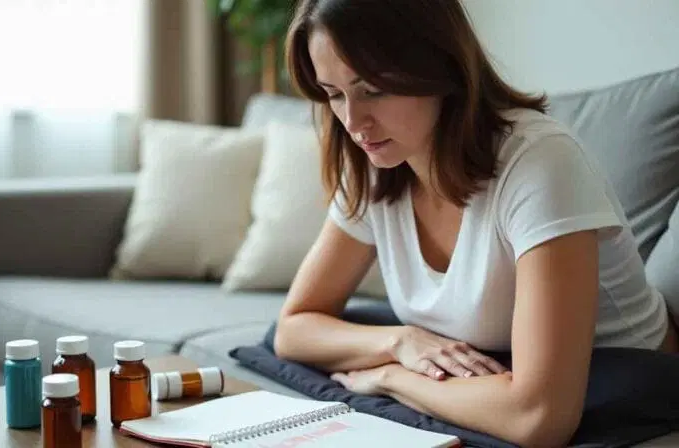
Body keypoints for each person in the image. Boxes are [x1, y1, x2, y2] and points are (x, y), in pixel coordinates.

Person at [272, 0, 679, 447]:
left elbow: (539, 419)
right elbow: (293, 328)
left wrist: (393, 379)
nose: (352, 121)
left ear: (437, 67)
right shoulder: (373, 160)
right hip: (488, 360)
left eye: (372, 89)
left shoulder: (539, 161)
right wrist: (399, 343)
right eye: (333, 93)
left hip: (618, 372)